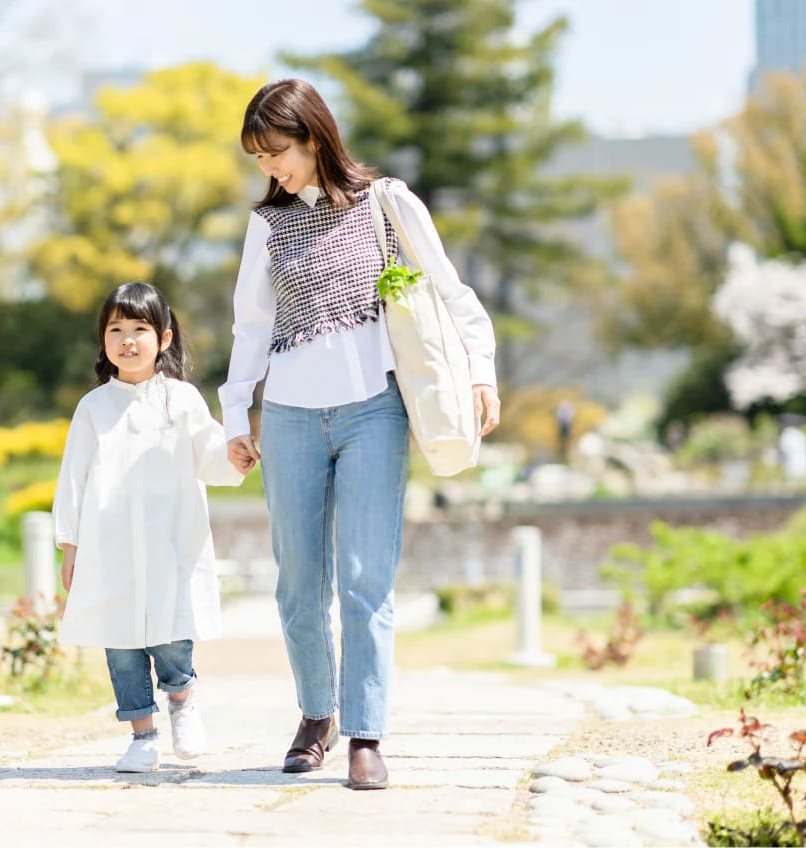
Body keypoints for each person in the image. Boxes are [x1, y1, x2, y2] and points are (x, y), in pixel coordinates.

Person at [219, 79, 501, 789]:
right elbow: (250, 328)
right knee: (297, 583)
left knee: (366, 579)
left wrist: (480, 373)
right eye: (257, 157)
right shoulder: (267, 226)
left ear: (314, 137)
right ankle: (318, 715)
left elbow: (451, 294)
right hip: (287, 418)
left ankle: (365, 734)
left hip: (374, 409)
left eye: (276, 151)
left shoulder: (388, 203)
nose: (268, 168)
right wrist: (235, 416)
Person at [53, 281, 246, 774]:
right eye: (116, 329)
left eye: (139, 328)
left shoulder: (181, 400)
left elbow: (210, 457)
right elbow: (72, 480)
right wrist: (70, 544)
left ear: (163, 338)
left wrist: (236, 459)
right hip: (109, 547)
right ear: (104, 341)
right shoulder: (93, 408)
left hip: (169, 542)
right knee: (120, 643)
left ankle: (182, 700)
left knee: (171, 630)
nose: (127, 340)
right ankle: (142, 734)